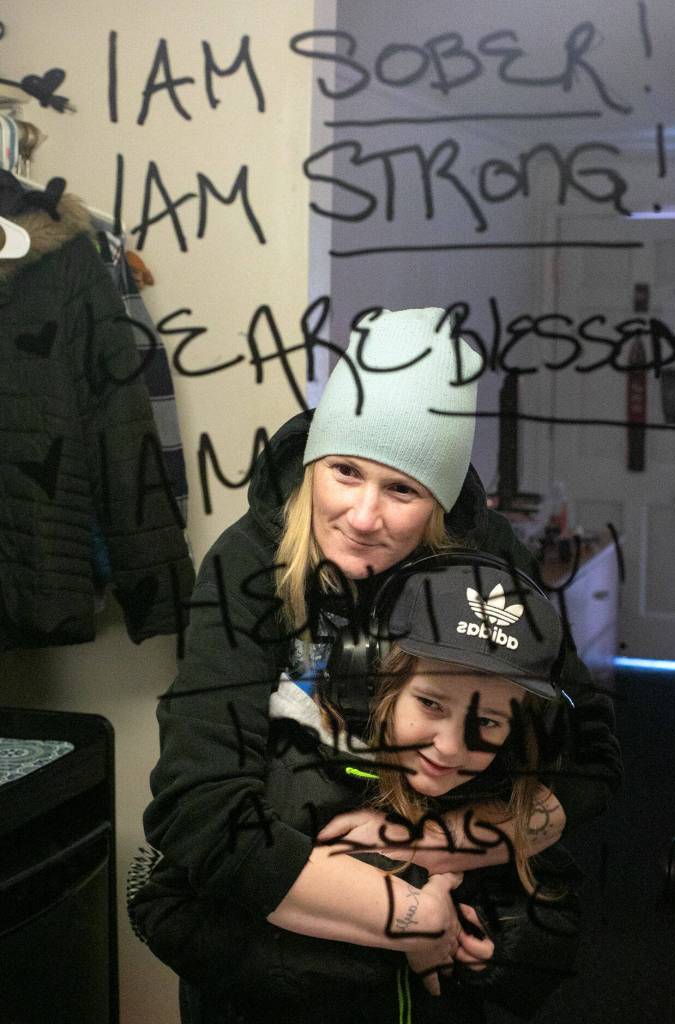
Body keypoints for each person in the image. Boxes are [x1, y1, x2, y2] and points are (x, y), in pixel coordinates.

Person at [142, 306, 620, 1016]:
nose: (363, 516)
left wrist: (426, 842)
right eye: (344, 472)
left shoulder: (488, 557)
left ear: (440, 503)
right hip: (272, 982)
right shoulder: (247, 563)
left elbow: (587, 755)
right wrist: (405, 914)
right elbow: (198, 811)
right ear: (313, 465)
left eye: (401, 490)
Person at [132, 555, 582, 1023]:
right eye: (430, 704)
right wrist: (400, 926)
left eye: (487, 722)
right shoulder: (296, 776)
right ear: (371, 682)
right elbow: (166, 910)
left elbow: (556, 928)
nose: (450, 748)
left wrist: (488, 947)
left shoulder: (499, 791)